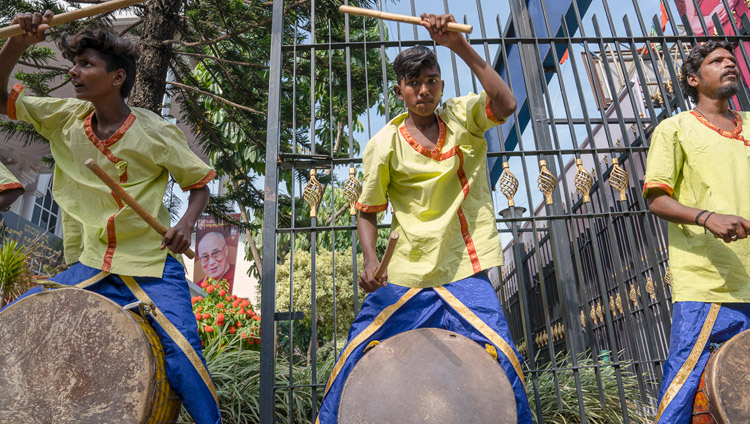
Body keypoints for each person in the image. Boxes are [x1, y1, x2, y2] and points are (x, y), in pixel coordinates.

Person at [0, 11, 221, 424]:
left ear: (117, 77)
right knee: (13, 327)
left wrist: (187, 223)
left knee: (185, 357)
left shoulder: (156, 132)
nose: (75, 72)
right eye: (75, 63)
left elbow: (200, 183)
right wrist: (18, 43)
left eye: (87, 64)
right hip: (91, 264)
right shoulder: (63, 118)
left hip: (150, 266)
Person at [317, 13, 531, 423]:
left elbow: (506, 104)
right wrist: (368, 260)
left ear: (441, 85)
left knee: (505, 358)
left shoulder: (461, 117)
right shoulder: (383, 145)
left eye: (431, 80)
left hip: (463, 267)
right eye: (414, 83)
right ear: (399, 90)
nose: (423, 90)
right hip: (404, 272)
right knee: (352, 356)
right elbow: (367, 211)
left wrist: (457, 45)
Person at [643, 40, 750, 423]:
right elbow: (655, 199)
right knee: (684, 390)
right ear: (693, 78)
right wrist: (708, 217)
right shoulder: (674, 130)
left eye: (730, 59)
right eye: (716, 60)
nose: (729, 63)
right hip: (709, 285)